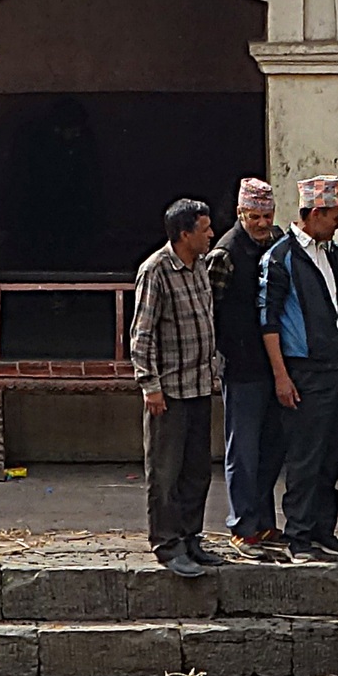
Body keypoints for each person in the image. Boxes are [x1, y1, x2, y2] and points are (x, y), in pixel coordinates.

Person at [260, 177, 338, 559]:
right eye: (331, 216)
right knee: (305, 456)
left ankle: (322, 529)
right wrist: (281, 375)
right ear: (313, 214)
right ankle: (297, 533)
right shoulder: (282, 257)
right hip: (303, 369)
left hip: (336, 365)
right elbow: (269, 322)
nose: (334, 221)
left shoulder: (332, 251)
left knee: (330, 453)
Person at [131, 199, 228, 579]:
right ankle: (167, 543)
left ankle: (191, 537)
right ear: (184, 234)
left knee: (196, 470)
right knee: (165, 472)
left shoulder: (201, 266)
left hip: (200, 385)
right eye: (204, 229)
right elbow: (141, 334)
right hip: (168, 391)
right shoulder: (156, 270)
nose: (210, 235)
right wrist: (149, 386)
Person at [212, 178, 289, 549]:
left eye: (267, 216)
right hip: (241, 366)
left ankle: (263, 520)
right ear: (240, 213)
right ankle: (242, 524)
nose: (262, 223)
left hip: (275, 364)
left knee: (271, 448)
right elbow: (211, 310)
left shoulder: (276, 243)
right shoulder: (225, 255)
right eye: (255, 216)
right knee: (242, 450)